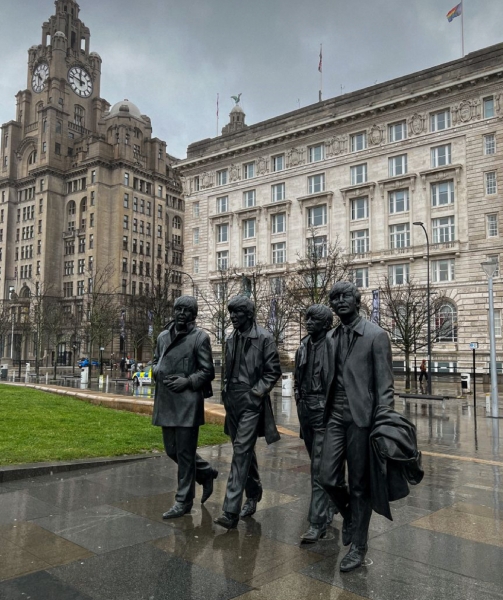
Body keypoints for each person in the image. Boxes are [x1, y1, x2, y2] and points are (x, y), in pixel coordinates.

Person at [320, 281, 394, 572]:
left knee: (360, 485)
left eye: (345, 296)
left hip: (362, 417)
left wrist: (384, 423)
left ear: (357, 300)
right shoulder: (330, 337)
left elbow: (385, 386)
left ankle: (359, 546)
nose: (339, 302)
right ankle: (350, 516)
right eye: (334, 298)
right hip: (335, 415)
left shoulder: (376, 336)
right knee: (327, 477)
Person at [214, 295, 282, 530]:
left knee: (241, 452)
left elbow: (273, 371)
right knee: (242, 450)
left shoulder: (264, 338)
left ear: (249, 314)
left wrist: (256, 393)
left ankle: (230, 511)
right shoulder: (230, 338)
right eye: (231, 312)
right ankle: (254, 492)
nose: (233, 316)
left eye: (237, 312)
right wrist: (225, 393)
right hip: (232, 401)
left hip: (251, 401)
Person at [152, 295, 218, 519]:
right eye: (178, 309)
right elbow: (155, 360)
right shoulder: (162, 336)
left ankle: (183, 501)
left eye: (187, 310)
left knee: (185, 454)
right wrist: (156, 370)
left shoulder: (200, 337)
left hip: (188, 402)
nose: (181, 313)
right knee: (172, 450)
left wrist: (187, 381)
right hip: (166, 401)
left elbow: (207, 371)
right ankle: (205, 473)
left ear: (194, 314)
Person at [294, 304, 336, 543]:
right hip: (305, 408)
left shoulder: (334, 344)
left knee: (319, 466)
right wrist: (299, 397)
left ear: (326, 324)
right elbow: (298, 377)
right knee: (319, 462)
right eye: (307, 318)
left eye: (314, 319)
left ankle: (317, 522)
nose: (308, 322)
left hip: (324, 409)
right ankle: (334, 500)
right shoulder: (303, 346)